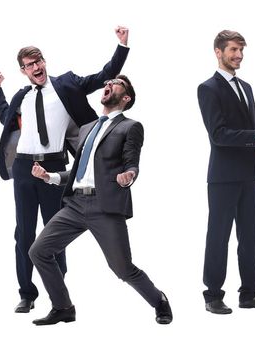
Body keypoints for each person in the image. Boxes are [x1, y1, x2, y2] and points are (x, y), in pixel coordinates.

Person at [0, 26, 130, 313]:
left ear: (44, 61)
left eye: (38, 60)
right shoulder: (22, 96)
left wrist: (122, 46)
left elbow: (102, 75)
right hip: (24, 168)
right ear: (23, 71)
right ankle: (27, 294)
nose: (36, 67)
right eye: (30, 65)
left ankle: (58, 290)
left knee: (56, 230)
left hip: (54, 165)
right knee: (24, 233)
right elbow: (6, 118)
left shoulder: (66, 84)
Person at [28, 75, 172, 325]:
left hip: (105, 206)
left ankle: (158, 300)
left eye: (116, 83)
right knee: (38, 251)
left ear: (125, 98)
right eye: (108, 82)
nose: (109, 84)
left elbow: (131, 163)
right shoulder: (87, 128)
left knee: (122, 268)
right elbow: (77, 172)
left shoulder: (131, 126)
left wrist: (129, 176)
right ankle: (63, 307)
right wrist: (49, 176)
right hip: (74, 205)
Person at [197, 30, 255, 315]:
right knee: (218, 236)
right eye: (233, 50)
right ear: (218, 52)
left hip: (248, 175)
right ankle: (212, 295)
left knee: (250, 236)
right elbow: (219, 134)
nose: (239, 55)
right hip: (222, 176)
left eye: (241, 50)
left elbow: (254, 126)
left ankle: (248, 294)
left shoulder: (247, 87)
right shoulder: (208, 88)